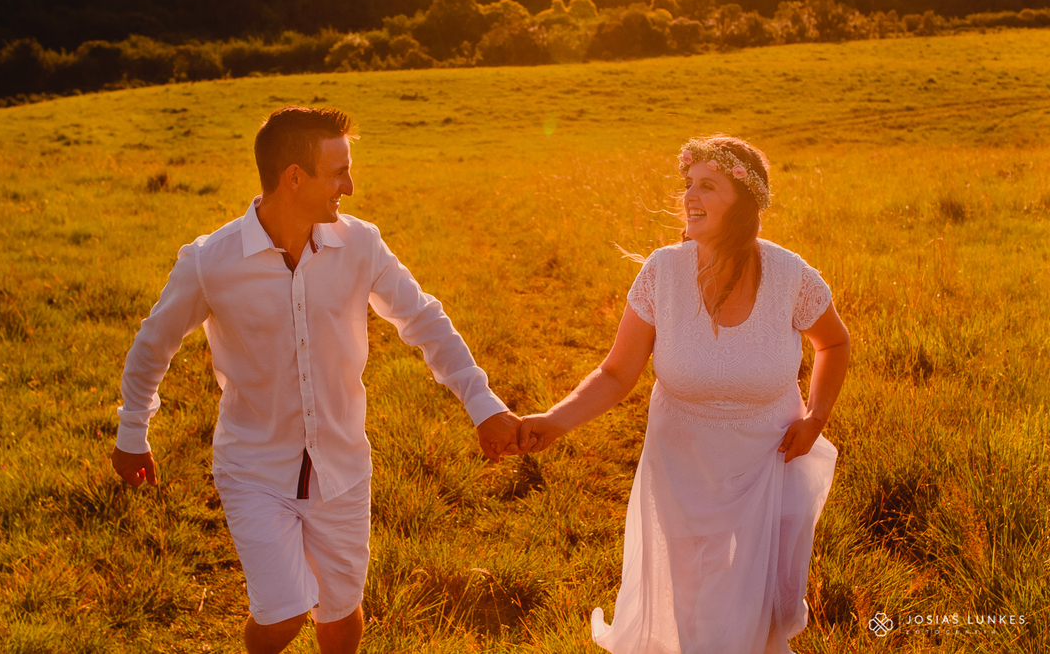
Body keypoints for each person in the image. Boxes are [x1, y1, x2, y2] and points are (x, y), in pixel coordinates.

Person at [109, 106, 522, 654]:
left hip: (344, 469)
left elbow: (423, 319)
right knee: (282, 618)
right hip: (254, 470)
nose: (349, 187)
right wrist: (133, 432)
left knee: (340, 618)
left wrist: (483, 403)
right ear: (294, 177)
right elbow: (152, 346)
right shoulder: (211, 262)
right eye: (338, 172)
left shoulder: (361, 244)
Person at [518, 134, 851, 654]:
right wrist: (555, 420)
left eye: (708, 186)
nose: (690, 197)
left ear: (743, 201)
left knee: (760, 610)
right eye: (688, 185)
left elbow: (834, 342)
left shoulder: (789, 274)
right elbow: (615, 373)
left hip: (769, 460)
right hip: (683, 467)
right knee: (693, 606)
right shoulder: (662, 272)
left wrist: (815, 419)